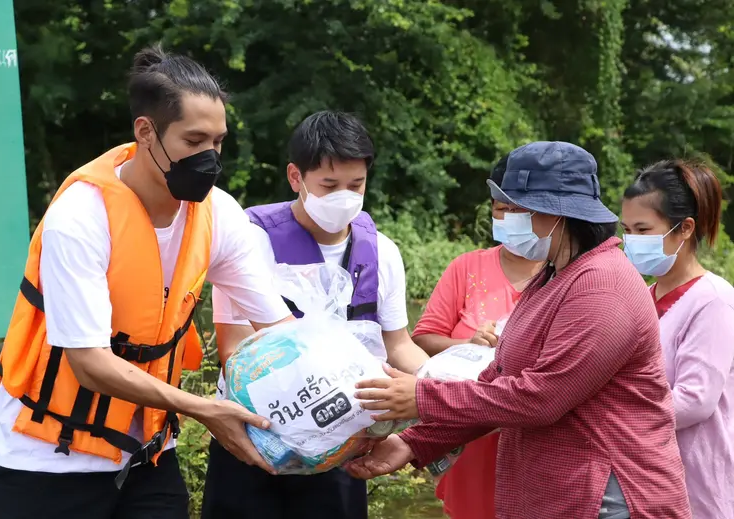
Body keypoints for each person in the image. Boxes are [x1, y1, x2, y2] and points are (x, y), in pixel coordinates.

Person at [0, 46, 294, 519]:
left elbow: (279, 329)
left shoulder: (219, 214)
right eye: (194, 140)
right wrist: (204, 409)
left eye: (218, 142)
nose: (210, 157)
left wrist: (351, 391)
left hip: (147, 453)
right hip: (48, 455)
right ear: (146, 132)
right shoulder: (81, 217)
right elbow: (90, 364)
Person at [346, 141, 693, 519]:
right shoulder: (553, 276)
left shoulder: (602, 286)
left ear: (557, 213)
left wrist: (423, 397)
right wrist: (414, 442)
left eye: (519, 210)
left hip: (606, 496)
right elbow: (498, 382)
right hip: (555, 490)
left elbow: (540, 398)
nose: (509, 220)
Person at [201, 110, 429, 519]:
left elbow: (398, 345)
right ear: (296, 177)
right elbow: (233, 350)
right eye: (329, 185)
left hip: (340, 444)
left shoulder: (382, 252)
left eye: (356, 185)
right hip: (254, 440)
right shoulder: (249, 241)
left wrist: (439, 387)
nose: (345, 196)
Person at [412, 155, 544, 519]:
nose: (508, 219)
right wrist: (468, 345)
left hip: (538, 442)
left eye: (519, 212)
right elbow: (424, 338)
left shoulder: (563, 276)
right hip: (472, 438)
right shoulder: (468, 267)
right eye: (501, 209)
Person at [621, 159, 734, 519]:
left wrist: (616, 413)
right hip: (645, 481)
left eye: (643, 230)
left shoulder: (713, 301)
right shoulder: (642, 297)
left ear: (684, 228)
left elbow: (694, 400)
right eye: (627, 230)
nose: (631, 242)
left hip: (696, 483)